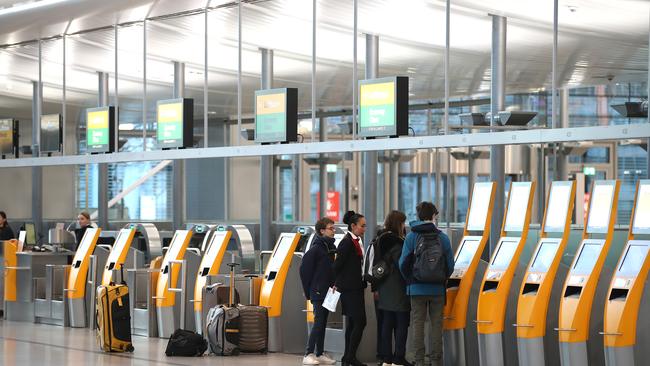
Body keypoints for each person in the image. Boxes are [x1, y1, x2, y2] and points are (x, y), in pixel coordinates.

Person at [399, 202, 454, 366]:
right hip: (437, 289)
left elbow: (402, 263)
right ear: (433, 216)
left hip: (416, 288)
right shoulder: (442, 237)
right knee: (437, 327)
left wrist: (410, 279)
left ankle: (419, 361)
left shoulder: (411, 237)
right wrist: (442, 278)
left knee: (418, 326)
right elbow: (450, 265)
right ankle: (436, 361)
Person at [300, 217, 338, 365]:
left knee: (322, 323)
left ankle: (320, 352)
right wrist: (309, 291)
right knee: (318, 322)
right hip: (318, 292)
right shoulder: (316, 249)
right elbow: (304, 271)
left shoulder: (329, 249)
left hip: (327, 292)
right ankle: (308, 353)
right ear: (322, 231)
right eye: (331, 228)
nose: (333, 231)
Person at [376, 210, 412, 366]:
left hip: (383, 286)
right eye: (403, 223)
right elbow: (402, 265)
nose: (404, 226)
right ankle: (398, 358)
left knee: (386, 323)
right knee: (402, 323)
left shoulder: (380, 238)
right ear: (399, 224)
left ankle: (386, 359)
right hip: (397, 287)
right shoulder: (397, 242)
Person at [333, 211, 367, 366]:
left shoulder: (356, 240)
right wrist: (335, 283)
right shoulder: (347, 242)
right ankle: (350, 356)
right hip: (349, 289)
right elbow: (338, 265)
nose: (364, 228)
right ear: (353, 226)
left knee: (353, 323)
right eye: (362, 226)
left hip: (356, 287)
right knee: (360, 322)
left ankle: (348, 356)